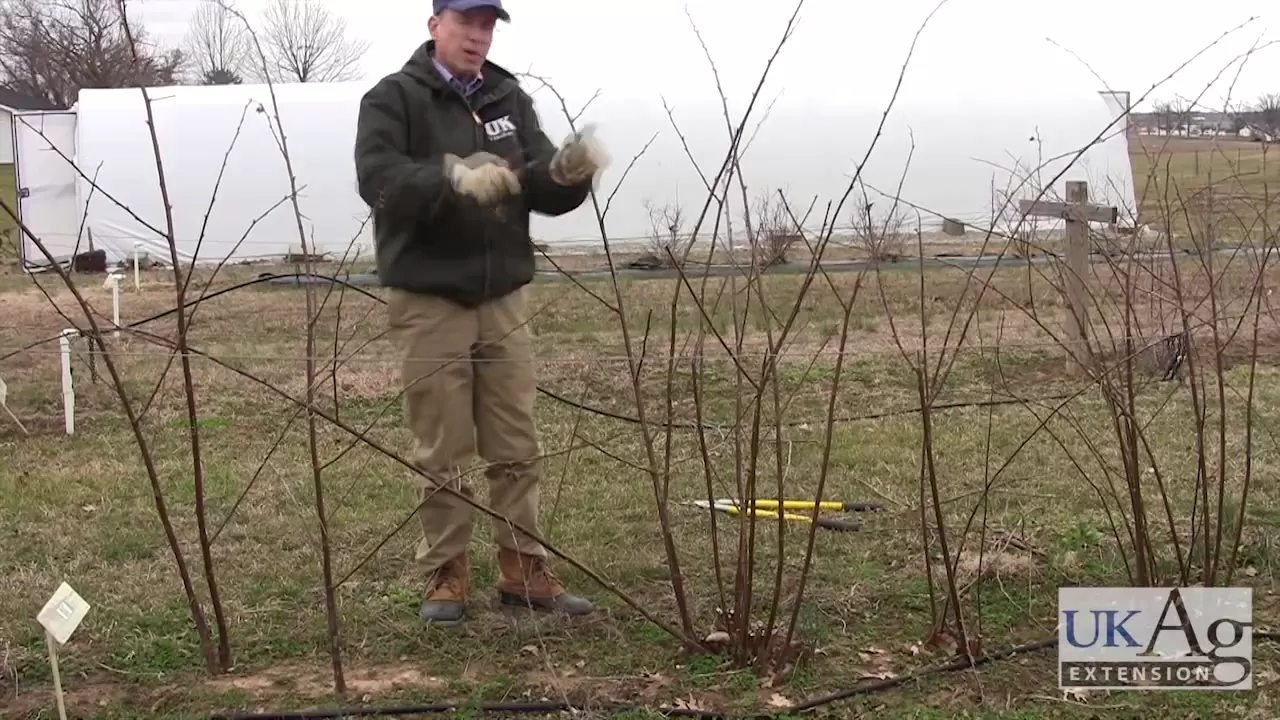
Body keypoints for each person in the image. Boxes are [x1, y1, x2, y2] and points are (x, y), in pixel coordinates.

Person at [352, 0, 609, 626]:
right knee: (441, 445)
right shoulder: (393, 100)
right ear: (435, 24)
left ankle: (524, 570)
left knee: (516, 441)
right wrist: (451, 180)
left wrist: (567, 174)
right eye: (467, 23)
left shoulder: (507, 98)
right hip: (431, 298)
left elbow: (538, 185)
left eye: (488, 25)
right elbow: (377, 178)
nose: (478, 36)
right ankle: (446, 574)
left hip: (503, 299)